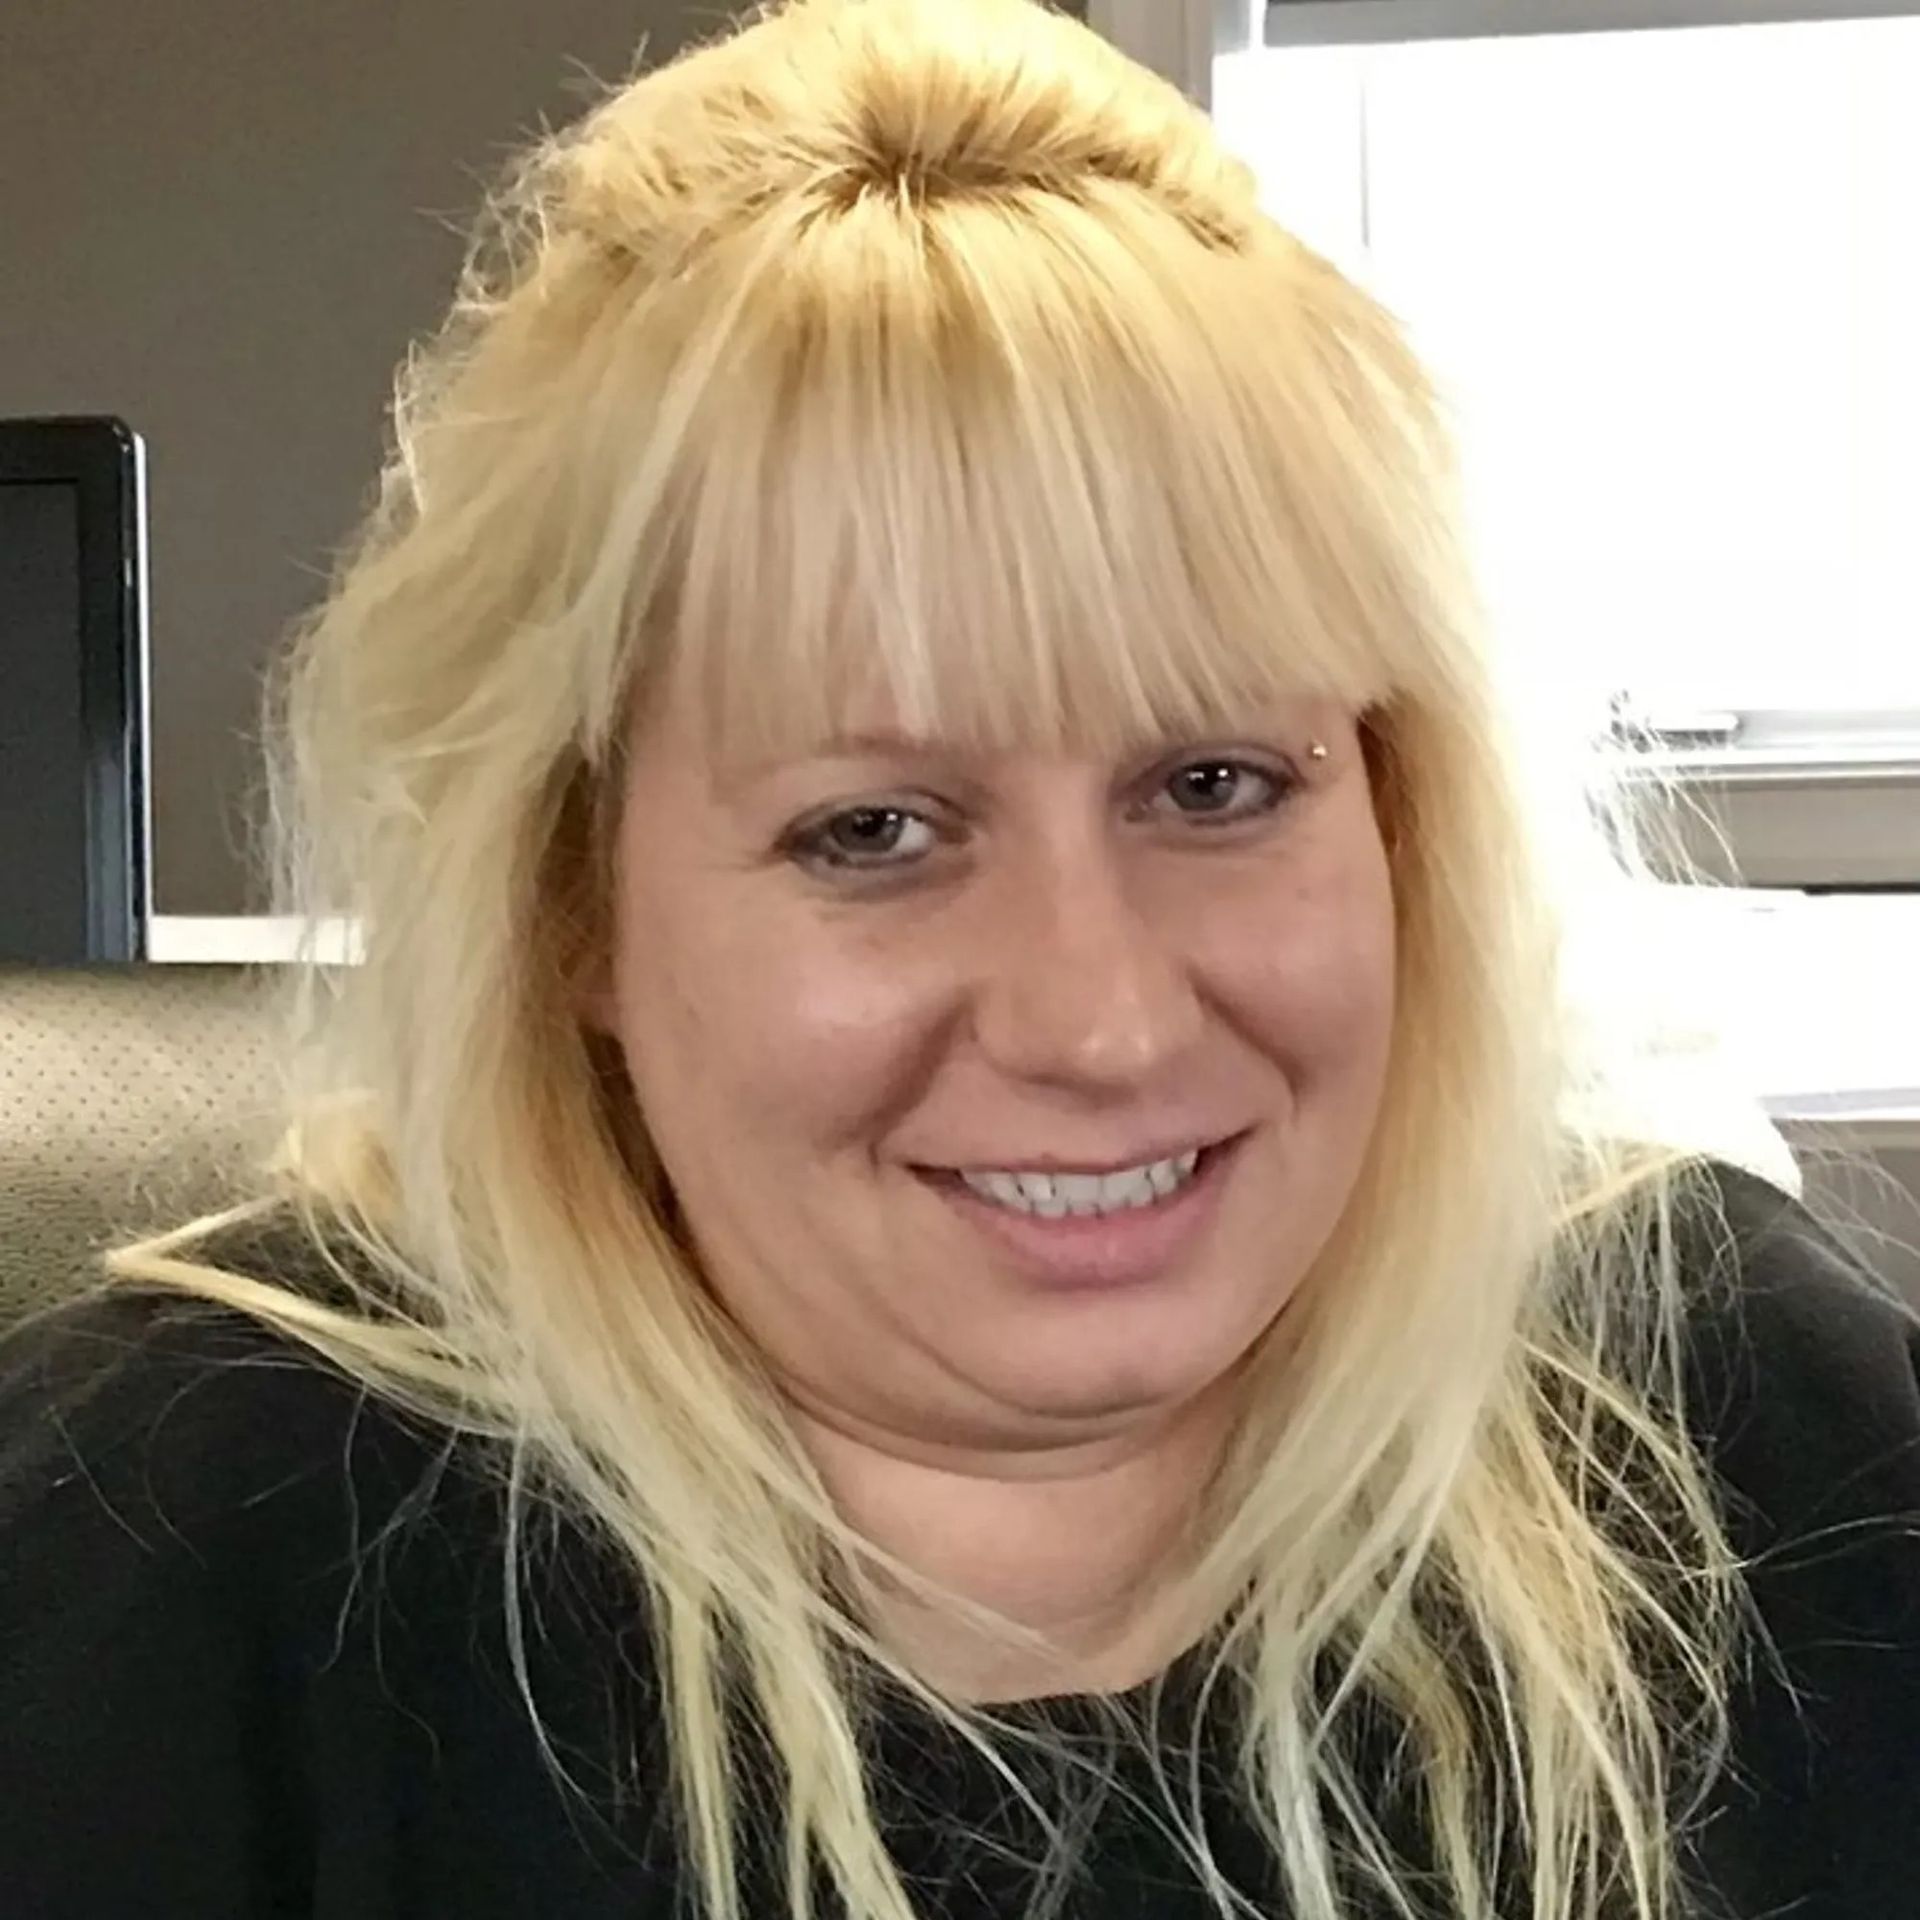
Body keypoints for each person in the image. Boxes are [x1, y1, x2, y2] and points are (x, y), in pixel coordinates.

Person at [2, 2, 1916, 1915]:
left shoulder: (1741, 1412)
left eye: (1217, 781)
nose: (1102, 1017)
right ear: (569, 902)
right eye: (874, 831)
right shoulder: (161, 1555)